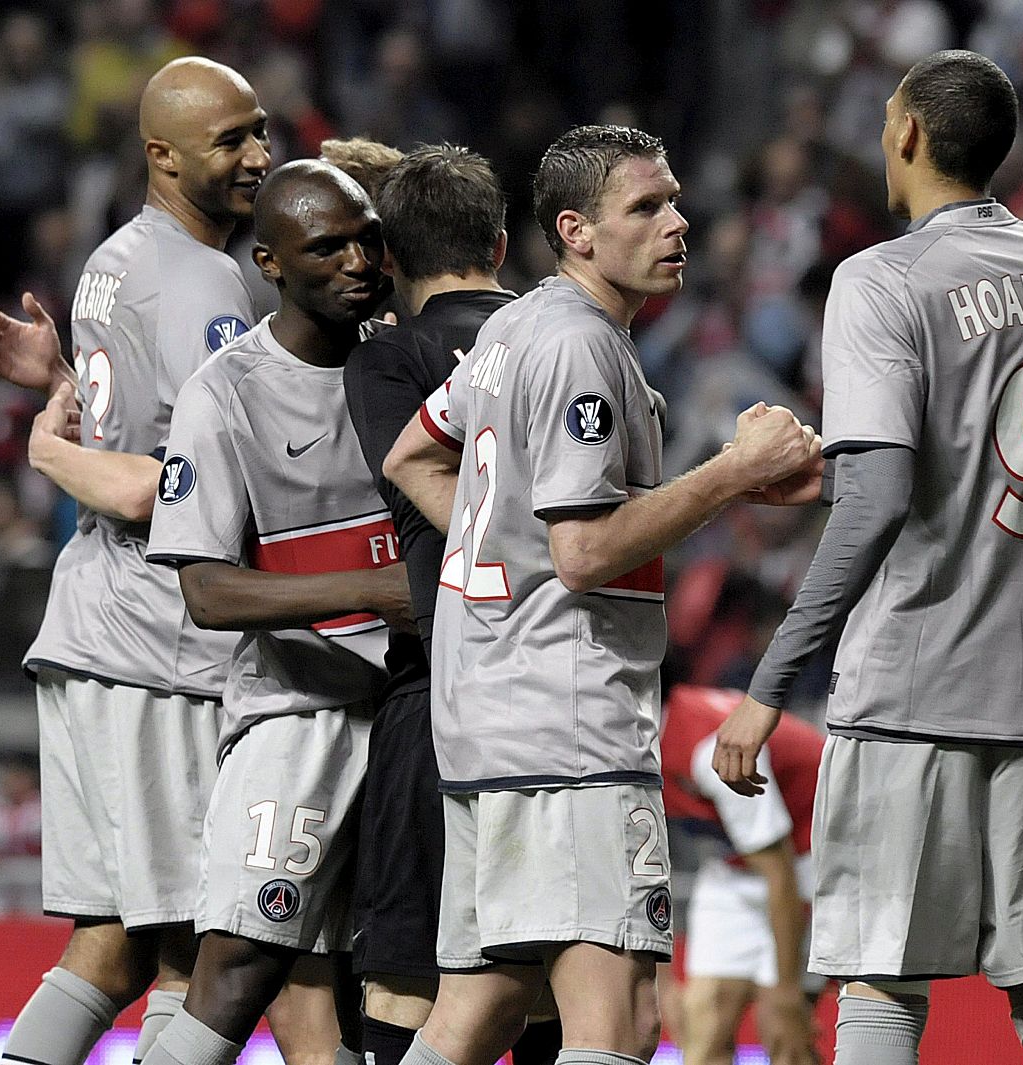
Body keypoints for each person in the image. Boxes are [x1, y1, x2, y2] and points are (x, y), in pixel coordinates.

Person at [713, 50, 1023, 1065]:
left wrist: (766, 687)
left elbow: (886, 499)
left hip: (912, 691)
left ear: (905, 134)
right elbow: (1006, 448)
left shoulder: (878, 277)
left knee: (882, 994)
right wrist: (843, 473)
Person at [381, 123, 822, 1065]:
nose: (678, 221)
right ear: (575, 230)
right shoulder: (582, 347)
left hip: (485, 718)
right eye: (647, 207)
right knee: (619, 1021)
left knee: (480, 1007)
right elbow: (582, 553)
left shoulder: (510, 329)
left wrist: (495, 543)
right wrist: (734, 473)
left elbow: (411, 453)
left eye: (674, 199)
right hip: (567, 723)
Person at [0, 56, 274, 1065]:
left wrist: (57, 383)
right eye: (231, 139)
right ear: (162, 154)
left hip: (97, 628)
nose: (258, 157)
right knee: (198, 947)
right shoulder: (206, 286)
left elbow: (140, 435)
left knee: (111, 946)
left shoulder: (117, 256)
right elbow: (180, 486)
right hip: (161, 645)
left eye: (260, 131)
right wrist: (55, 447)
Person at [141, 159, 418, 1065]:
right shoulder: (228, 391)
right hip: (299, 716)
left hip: (412, 715)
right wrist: (374, 591)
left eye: (368, 238)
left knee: (385, 988)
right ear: (270, 262)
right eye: (326, 246)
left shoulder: (412, 365)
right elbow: (208, 589)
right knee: (243, 963)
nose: (358, 262)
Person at [339, 144, 560, 1065]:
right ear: (504, 244)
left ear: (387, 261)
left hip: (439, 688)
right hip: (559, 691)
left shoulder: (387, 359)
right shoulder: (566, 334)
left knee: (409, 974)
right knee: (552, 974)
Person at [659, 683, 823, 1065]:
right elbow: (640, 869)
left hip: (808, 861)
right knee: (701, 1030)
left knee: (783, 1035)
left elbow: (780, 873)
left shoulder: (711, 750)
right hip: (730, 867)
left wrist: (786, 992)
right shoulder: (622, 748)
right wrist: (661, 985)